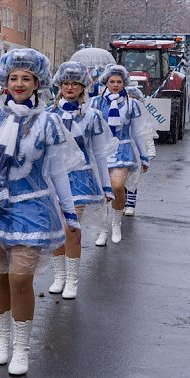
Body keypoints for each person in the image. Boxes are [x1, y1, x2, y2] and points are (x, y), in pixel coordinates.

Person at [0, 48, 82, 376]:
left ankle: (22, 346)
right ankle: (1, 339)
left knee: (20, 278)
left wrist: (70, 213)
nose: (19, 83)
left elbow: (57, 172)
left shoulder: (48, 123)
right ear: (5, 82)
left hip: (33, 208)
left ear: (37, 83)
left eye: (26, 78)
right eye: (13, 78)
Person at [47, 61, 116, 299]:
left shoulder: (92, 116)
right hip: (53, 179)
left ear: (82, 87)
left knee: (71, 227)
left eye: (74, 84)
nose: (69, 87)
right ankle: (59, 276)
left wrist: (106, 185)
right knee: (56, 229)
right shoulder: (49, 113)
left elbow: (99, 153)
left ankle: (73, 279)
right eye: (65, 83)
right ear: (59, 86)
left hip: (81, 178)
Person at [88, 64, 151, 245]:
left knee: (117, 186)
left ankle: (116, 223)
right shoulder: (95, 103)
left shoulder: (132, 105)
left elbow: (138, 132)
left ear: (124, 83)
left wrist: (144, 156)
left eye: (119, 82)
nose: (115, 85)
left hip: (122, 149)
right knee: (101, 193)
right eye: (112, 81)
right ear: (106, 82)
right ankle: (103, 229)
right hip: (100, 151)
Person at [123, 85, 157, 217]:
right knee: (120, 180)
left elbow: (147, 136)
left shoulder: (143, 119)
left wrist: (149, 154)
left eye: (134, 98)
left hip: (136, 152)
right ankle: (123, 200)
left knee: (132, 179)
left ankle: (130, 204)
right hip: (122, 152)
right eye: (129, 98)